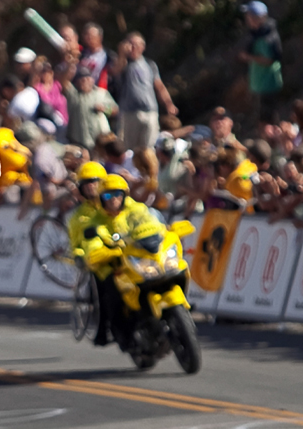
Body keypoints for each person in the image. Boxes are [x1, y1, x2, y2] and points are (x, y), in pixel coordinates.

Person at [82, 174, 162, 347]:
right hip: (115, 265)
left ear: (124, 194)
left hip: (142, 260)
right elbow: (92, 248)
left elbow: (155, 226)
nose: (113, 200)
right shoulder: (97, 221)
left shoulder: (138, 209)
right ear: (101, 199)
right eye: (107, 196)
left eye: (117, 194)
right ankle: (124, 336)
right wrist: (105, 252)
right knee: (112, 293)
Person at [108, 33, 177, 151]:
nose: (133, 47)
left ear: (142, 47)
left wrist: (168, 103)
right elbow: (115, 71)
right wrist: (121, 53)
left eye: (136, 45)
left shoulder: (150, 64)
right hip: (130, 113)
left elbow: (159, 86)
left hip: (150, 111)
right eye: (130, 44)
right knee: (129, 149)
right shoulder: (123, 62)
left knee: (148, 148)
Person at [238, 1, 283, 125]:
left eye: (250, 15)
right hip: (260, 84)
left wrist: (248, 57)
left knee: (267, 120)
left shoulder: (266, 36)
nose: (247, 19)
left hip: (267, 84)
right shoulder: (257, 34)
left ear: (259, 17)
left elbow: (269, 60)